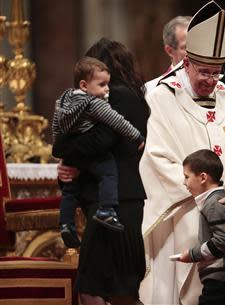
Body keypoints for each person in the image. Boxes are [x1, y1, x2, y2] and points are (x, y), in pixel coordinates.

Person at [138, 2, 225, 304]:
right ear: (186, 62)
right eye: (204, 71)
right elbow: (154, 159)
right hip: (184, 212)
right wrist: (204, 193)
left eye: (216, 73)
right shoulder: (160, 98)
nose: (211, 80)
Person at [53, 38, 149, 305]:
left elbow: (101, 141)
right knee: (121, 290)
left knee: (93, 288)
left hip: (112, 203)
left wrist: (65, 154)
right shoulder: (135, 97)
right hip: (125, 201)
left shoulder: (114, 97)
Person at [52, 56, 145, 248]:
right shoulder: (95, 103)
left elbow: (56, 128)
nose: (107, 89)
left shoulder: (62, 101)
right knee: (108, 172)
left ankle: (65, 224)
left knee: (70, 190)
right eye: (102, 84)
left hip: (71, 152)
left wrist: (61, 153)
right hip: (92, 152)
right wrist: (137, 136)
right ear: (85, 85)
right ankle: (107, 209)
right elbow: (117, 121)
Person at [176, 149, 225, 305]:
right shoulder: (216, 199)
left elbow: (223, 240)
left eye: (187, 177)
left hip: (222, 276)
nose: (184, 183)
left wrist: (192, 254)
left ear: (203, 177)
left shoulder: (213, 204)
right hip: (223, 276)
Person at [144, 15, 191, 98]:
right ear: (170, 51)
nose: (196, 53)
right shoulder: (151, 89)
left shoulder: (217, 87)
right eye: (187, 47)